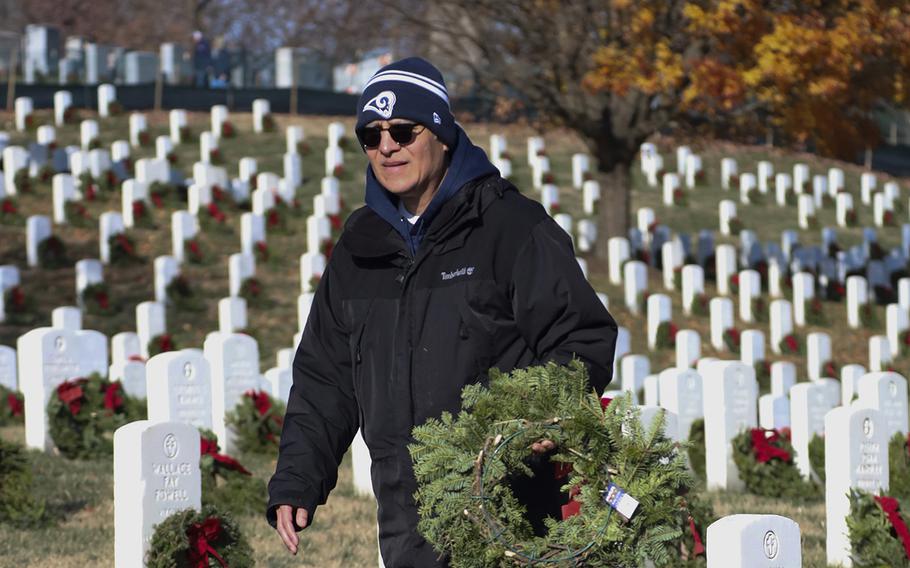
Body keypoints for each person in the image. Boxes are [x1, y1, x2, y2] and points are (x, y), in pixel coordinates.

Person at [267, 57, 618, 567]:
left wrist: (542, 415)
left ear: (441, 133)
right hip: (404, 514)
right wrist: (298, 479)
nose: (387, 146)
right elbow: (326, 375)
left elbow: (581, 337)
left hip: (507, 506)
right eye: (371, 135)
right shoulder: (358, 248)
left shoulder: (510, 227)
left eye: (404, 131)